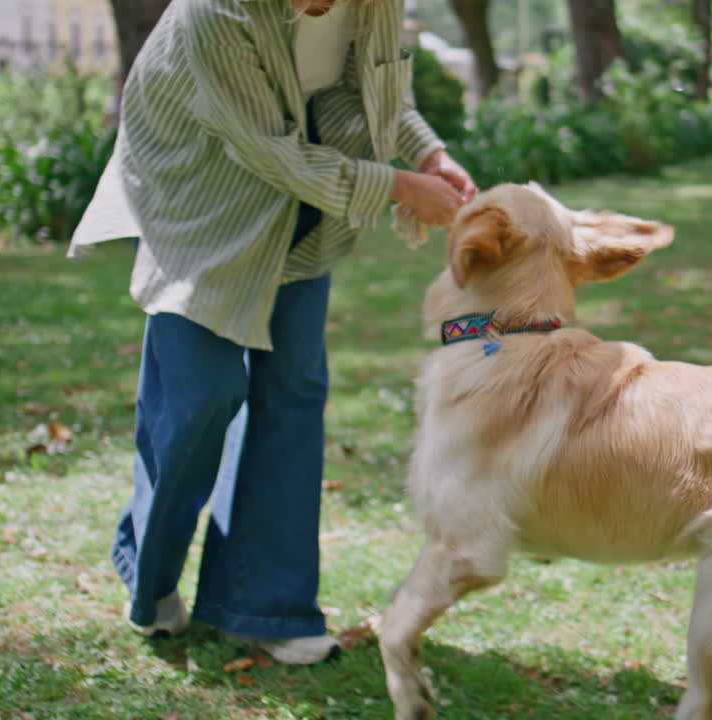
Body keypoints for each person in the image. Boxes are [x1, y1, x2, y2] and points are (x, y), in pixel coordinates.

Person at [67, 0, 477, 665]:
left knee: (293, 393)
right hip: (204, 207)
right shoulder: (215, 14)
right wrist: (398, 187)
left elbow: (375, 89)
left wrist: (429, 153)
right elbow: (264, 145)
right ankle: (151, 572)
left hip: (311, 205)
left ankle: (267, 607)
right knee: (201, 399)